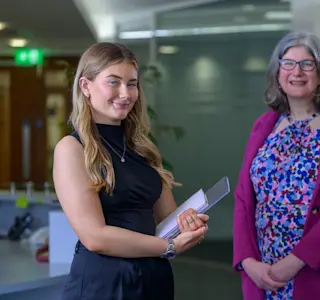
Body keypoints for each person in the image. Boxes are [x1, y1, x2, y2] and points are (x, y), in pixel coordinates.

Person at [53, 42, 209, 300]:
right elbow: (95, 237)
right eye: (113, 82)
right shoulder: (71, 149)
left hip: (154, 279)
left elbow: (169, 218)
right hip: (104, 284)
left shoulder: (142, 148)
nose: (125, 93)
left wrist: (189, 224)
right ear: (85, 86)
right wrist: (168, 246)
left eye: (132, 83)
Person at [233, 31, 320, 300]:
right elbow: (244, 199)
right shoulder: (265, 125)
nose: (298, 72)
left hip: (310, 269)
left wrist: (296, 261)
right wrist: (248, 262)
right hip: (264, 273)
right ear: (277, 73)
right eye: (289, 64)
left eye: (308, 64)